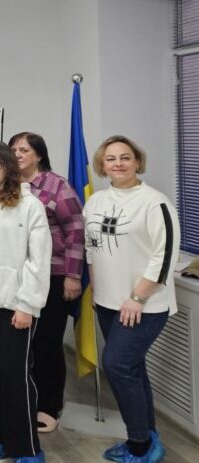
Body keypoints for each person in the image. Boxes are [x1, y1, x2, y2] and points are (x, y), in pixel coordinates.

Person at [85, 135, 179, 463]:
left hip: (143, 304)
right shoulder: (95, 202)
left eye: (125, 157)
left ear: (137, 161)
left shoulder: (155, 202)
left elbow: (165, 256)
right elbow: (91, 248)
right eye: (111, 159)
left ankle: (138, 445)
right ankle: (149, 437)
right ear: (102, 165)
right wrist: (96, 290)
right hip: (108, 303)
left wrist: (137, 298)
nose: (118, 164)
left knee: (117, 364)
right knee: (133, 368)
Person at [0, 142, 50, 463]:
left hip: (17, 306)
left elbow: (38, 260)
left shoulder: (30, 205)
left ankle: (27, 448)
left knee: (15, 375)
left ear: (9, 166)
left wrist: (27, 305)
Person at [9, 132, 85, 433]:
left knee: (47, 343)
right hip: (19, 276)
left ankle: (49, 406)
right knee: (22, 344)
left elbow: (76, 230)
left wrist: (73, 275)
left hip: (54, 275)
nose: (17, 154)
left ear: (39, 155)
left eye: (24, 150)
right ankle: (25, 401)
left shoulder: (57, 186)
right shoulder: (8, 185)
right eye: (13, 149)